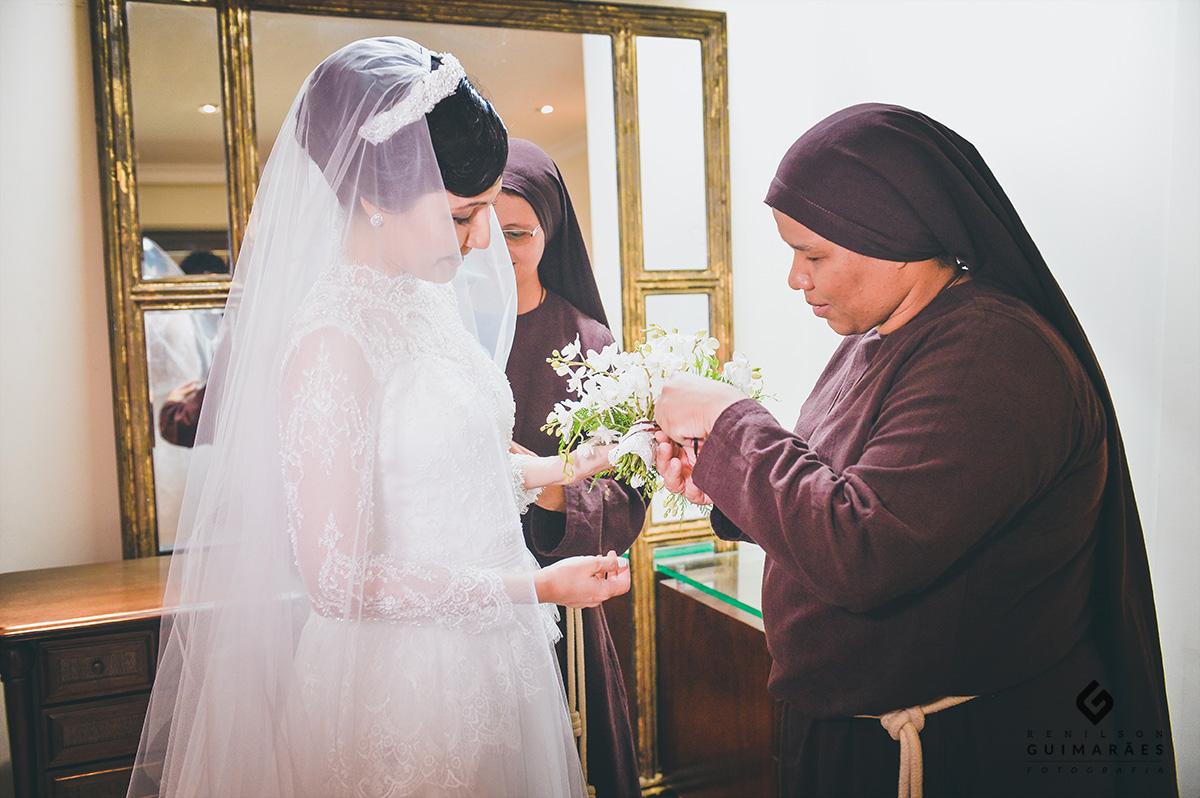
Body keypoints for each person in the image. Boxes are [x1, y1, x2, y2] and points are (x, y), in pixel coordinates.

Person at [129, 37, 630, 798]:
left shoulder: (426, 299)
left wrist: (565, 467)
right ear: (376, 198)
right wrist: (532, 588)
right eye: (464, 214)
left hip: (495, 661)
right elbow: (336, 580)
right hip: (402, 687)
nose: (483, 239)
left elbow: (445, 466)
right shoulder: (331, 344)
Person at [652, 104, 1176, 797]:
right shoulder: (876, 339)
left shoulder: (993, 355)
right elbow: (838, 491)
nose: (795, 278)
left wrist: (731, 424)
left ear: (893, 235)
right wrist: (726, 483)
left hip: (961, 753)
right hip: (860, 736)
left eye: (813, 254)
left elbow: (863, 549)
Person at [497, 138, 645, 798]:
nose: (495, 247)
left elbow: (630, 494)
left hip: (560, 606)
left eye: (518, 233)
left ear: (549, 232)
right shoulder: (434, 336)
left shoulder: (588, 343)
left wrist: (549, 488)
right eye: (474, 224)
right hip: (452, 597)